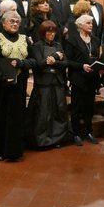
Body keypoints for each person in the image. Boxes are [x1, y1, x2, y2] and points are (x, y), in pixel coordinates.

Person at [0, 11, 35, 161]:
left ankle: (14, 151)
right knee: (0, 116)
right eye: (11, 21)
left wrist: (21, 63)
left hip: (19, 84)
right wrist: (3, 78)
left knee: (17, 117)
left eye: (17, 22)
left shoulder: (25, 39)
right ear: (3, 23)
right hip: (1, 86)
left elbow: (33, 60)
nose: (14, 24)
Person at [25, 20, 70, 148]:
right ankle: (42, 141)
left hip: (57, 83)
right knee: (43, 114)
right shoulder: (36, 46)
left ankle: (57, 139)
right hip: (43, 85)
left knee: (58, 112)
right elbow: (39, 64)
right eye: (48, 32)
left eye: (53, 31)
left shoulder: (58, 45)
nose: (51, 34)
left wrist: (53, 60)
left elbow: (66, 63)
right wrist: (56, 57)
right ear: (43, 33)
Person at [64, 14, 102, 145]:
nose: (91, 25)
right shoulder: (72, 40)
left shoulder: (95, 40)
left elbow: (96, 57)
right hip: (78, 78)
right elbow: (68, 61)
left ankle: (88, 132)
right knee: (76, 108)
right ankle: (75, 134)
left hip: (92, 78)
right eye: (88, 23)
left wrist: (100, 66)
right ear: (80, 25)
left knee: (89, 108)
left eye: (91, 23)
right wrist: (82, 66)